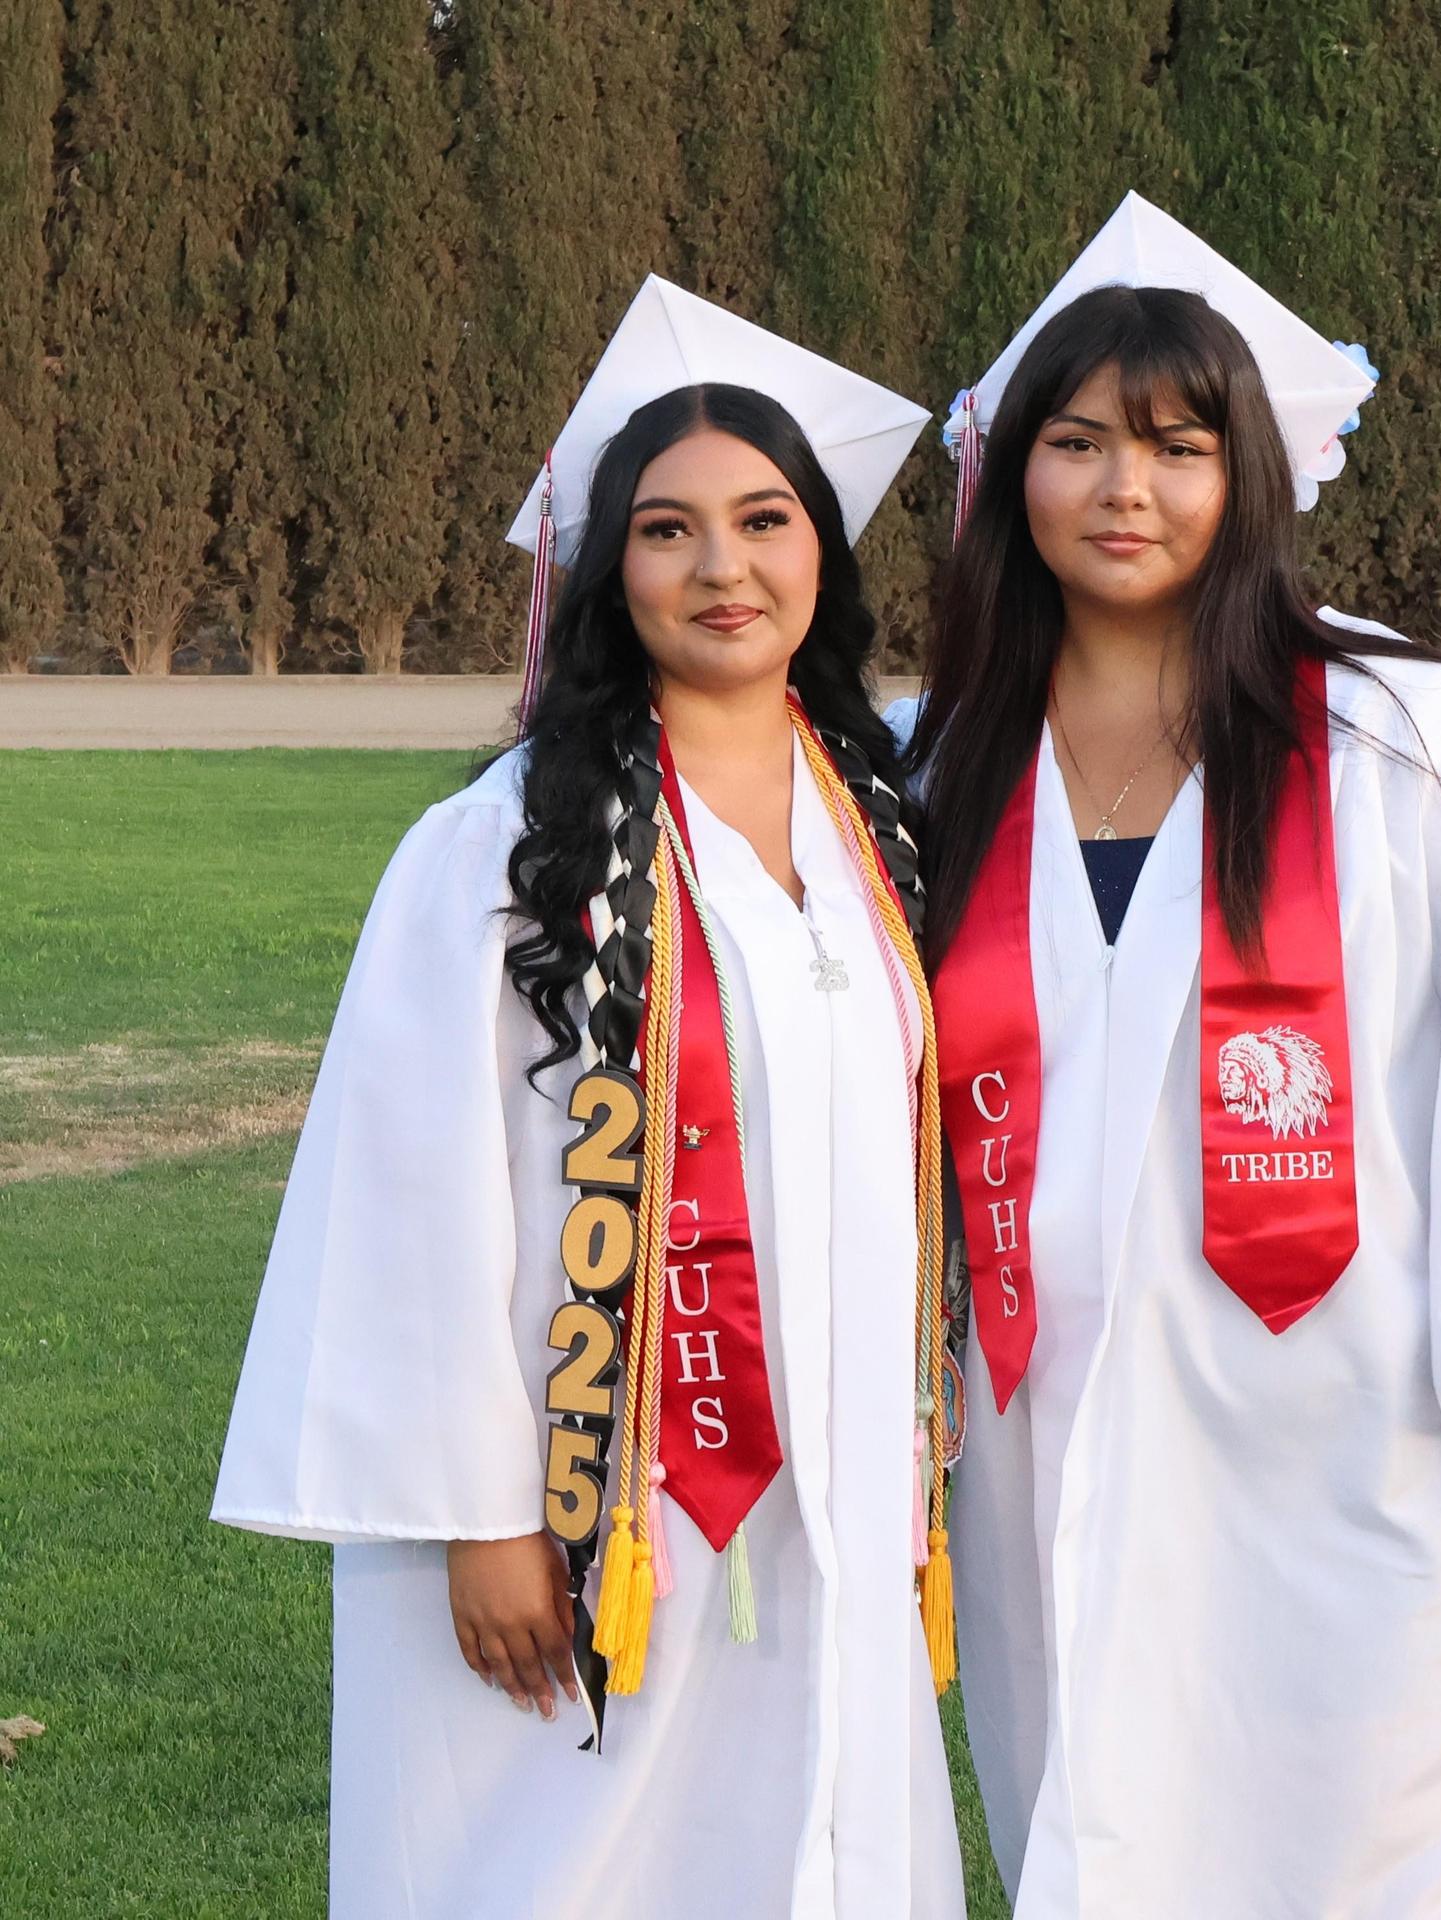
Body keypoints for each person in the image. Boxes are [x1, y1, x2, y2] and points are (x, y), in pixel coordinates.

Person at [900, 193, 1441, 1919]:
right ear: (1011, 481)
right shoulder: (944, 760)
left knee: (1373, 1822)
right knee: (1093, 1797)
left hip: (1361, 1397)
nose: (1126, 491)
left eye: (1178, 447)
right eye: (1076, 445)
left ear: (1245, 478)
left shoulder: (1411, 736)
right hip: (1045, 1405)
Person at [214, 277, 966, 1920]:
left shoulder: (876, 832)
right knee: (572, 1859)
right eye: (667, 531)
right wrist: (478, 1521)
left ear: (821, 551)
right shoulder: (501, 855)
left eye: (764, 520)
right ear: (609, 573)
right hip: (590, 1490)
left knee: (815, 1829)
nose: (723, 568)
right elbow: (409, 1195)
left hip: (824, 1467)